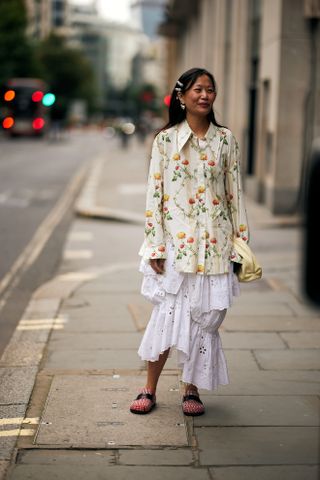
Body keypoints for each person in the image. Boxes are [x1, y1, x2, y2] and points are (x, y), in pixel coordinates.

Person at [130, 67, 249, 416]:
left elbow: (234, 196)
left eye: (210, 90)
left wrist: (240, 246)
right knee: (166, 316)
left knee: (205, 319)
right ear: (181, 97)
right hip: (176, 248)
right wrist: (155, 246)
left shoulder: (226, 140)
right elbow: (155, 195)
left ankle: (190, 389)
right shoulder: (165, 141)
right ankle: (148, 389)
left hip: (215, 247)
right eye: (198, 89)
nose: (204, 95)